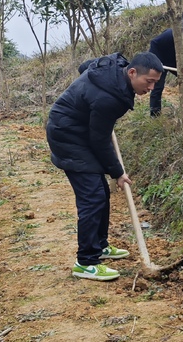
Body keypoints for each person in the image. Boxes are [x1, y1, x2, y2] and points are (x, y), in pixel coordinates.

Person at [46, 52, 163, 281]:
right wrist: (118, 172)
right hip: (67, 134)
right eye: (148, 81)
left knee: (101, 191)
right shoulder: (109, 99)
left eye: (155, 83)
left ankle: (99, 245)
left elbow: (85, 66)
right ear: (132, 72)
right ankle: (86, 261)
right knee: (92, 197)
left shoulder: (113, 65)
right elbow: (99, 141)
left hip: (80, 129)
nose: (150, 88)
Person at [147, 29, 176, 118]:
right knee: (157, 85)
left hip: (173, 56)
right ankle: (155, 114)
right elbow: (154, 42)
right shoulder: (172, 33)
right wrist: (155, 63)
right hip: (158, 54)